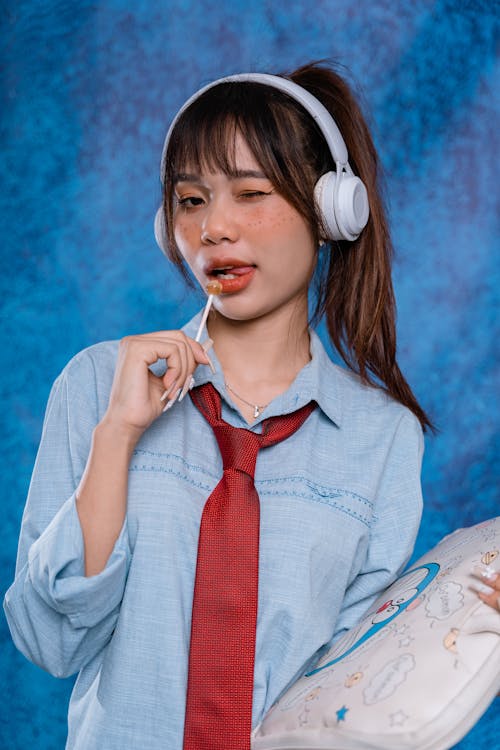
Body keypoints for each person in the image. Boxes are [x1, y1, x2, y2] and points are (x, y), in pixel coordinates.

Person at [7, 60, 493, 750]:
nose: (214, 228)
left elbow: (358, 693)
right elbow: (49, 639)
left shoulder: (383, 438)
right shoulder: (98, 384)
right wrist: (118, 434)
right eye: (192, 200)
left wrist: (472, 630)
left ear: (330, 214)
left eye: (250, 193)